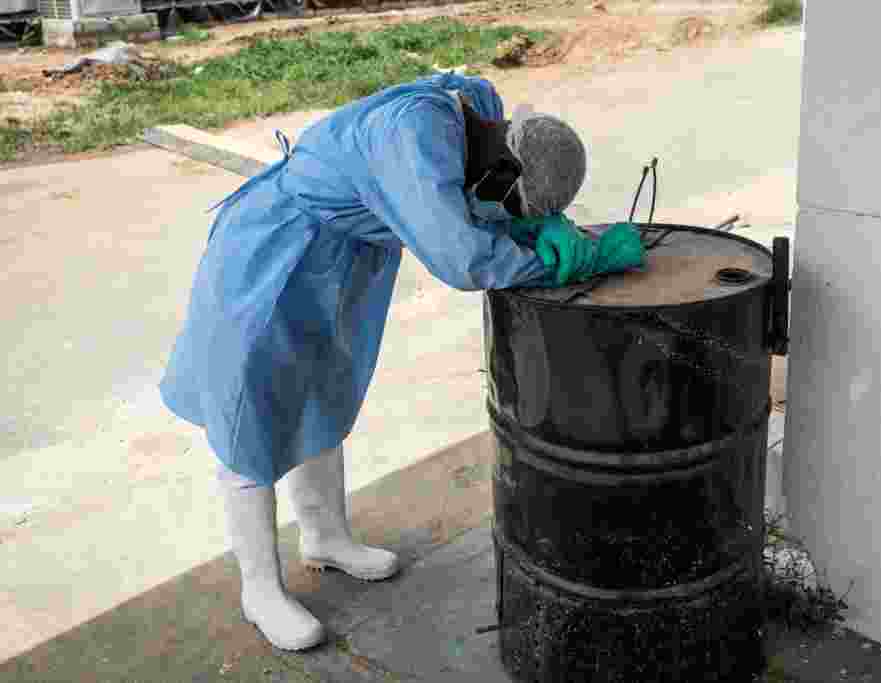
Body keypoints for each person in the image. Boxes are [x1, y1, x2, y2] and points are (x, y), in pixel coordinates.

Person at [159, 71, 645, 652]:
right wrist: (575, 262)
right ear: (503, 165)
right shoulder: (410, 138)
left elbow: (483, 205)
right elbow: (463, 258)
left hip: (340, 257)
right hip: (274, 258)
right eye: (511, 199)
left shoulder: (482, 116)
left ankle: (325, 537)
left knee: (324, 394)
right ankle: (260, 588)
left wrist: (537, 221)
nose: (507, 211)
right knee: (252, 413)